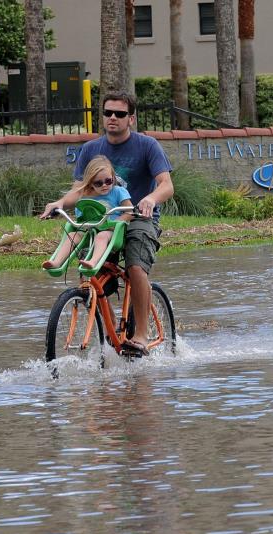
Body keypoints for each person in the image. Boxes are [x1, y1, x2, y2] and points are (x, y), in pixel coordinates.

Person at [40, 92, 174, 356]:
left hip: (136, 218)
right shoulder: (91, 149)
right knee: (88, 274)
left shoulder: (147, 146)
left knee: (136, 267)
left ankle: (141, 336)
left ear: (131, 119)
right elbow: (79, 190)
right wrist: (58, 204)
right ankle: (113, 335)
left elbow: (166, 185)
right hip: (100, 221)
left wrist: (149, 199)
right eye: (108, 113)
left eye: (120, 114)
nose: (113, 118)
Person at [42, 155, 133, 271]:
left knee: (101, 236)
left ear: (113, 178)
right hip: (89, 229)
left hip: (111, 230)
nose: (104, 185)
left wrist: (115, 222)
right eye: (98, 183)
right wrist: (59, 207)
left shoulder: (118, 192)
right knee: (72, 235)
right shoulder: (84, 195)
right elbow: (72, 204)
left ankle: (93, 262)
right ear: (90, 183)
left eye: (108, 181)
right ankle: (56, 262)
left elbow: (130, 212)